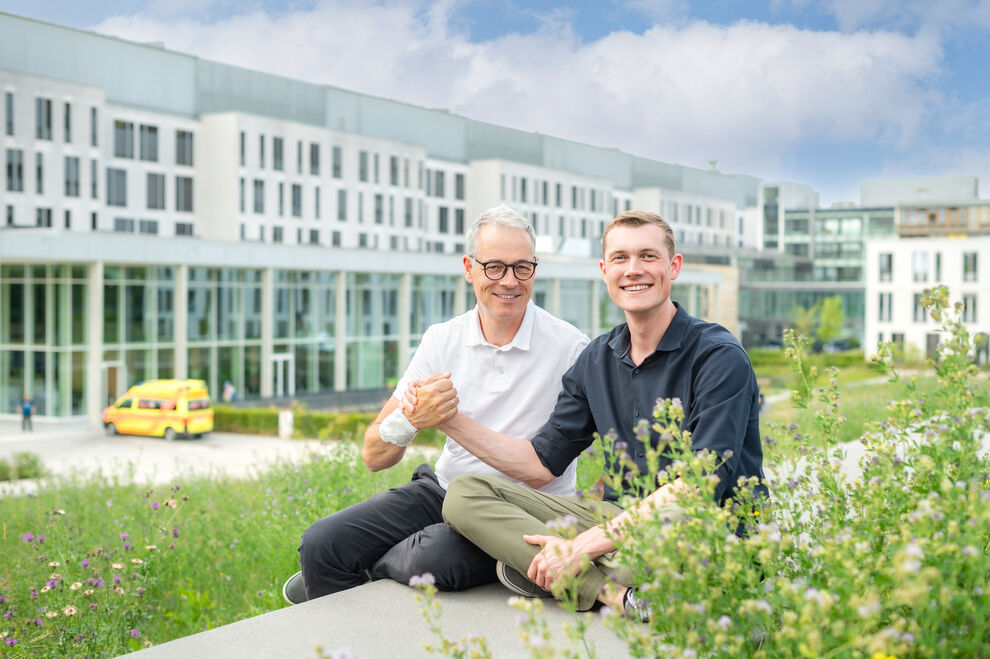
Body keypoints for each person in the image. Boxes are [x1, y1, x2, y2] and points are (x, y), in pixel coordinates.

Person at [436, 210, 767, 619]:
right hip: (617, 519)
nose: (633, 270)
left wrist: (582, 545)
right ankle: (616, 595)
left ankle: (552, 569)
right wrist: (449, 420)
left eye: (648, 256)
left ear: (673, 266)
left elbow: (699, 488)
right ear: (605, 270)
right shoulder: (596, 357)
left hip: (701, 525)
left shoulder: (718, 356)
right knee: (465, 493)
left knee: (641, 559)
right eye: (621, 258)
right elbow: (543, 462)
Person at [281, 205, 589, 604]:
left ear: (535, 268)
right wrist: (409, 419)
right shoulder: (442, 339)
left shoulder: (569, 347)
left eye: (521, 267)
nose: (509, 281)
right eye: (494, 266)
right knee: (321, 544)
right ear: (469, 268)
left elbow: (542, 471)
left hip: (520, 508)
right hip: (445, 489)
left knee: (433, 556)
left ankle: (368, 569)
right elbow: (375, 455)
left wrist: (446, 419)